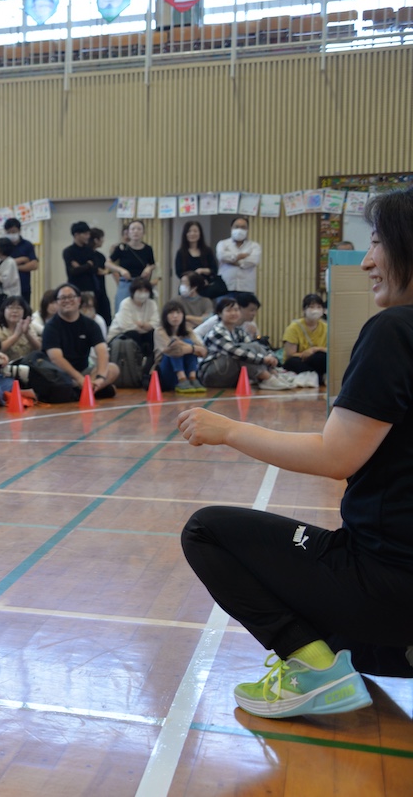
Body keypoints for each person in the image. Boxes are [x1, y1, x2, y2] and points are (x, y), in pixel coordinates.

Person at [175, 187, 413, 719]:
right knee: (341, 637)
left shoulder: (395, 331)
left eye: (377, 242)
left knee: (206, 531)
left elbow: (335, 456)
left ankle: (316, 673)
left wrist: (229, 430)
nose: (367, 261)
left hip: (386, 582)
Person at [42, 283, 119, 398]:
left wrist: (100, 378)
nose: (67, 300)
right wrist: (79, 379)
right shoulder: (51, 327)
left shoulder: (91, 324)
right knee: (57, 386)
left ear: (78, 300)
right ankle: (90, 391)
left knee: (113, 368)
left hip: (84, 373)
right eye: (62, 298)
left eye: (71, 297)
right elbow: (56, 359)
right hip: (60, 375)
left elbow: (102, 352)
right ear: (57, 302)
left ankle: (86, 390)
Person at [198, 295, 290, 390]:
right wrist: (264, 359)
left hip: (228, 372)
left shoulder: (238, 331)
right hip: (212, 374)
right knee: (240, 354)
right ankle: (267, 378)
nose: (233, 313)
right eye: (229, 311)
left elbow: (255, 346)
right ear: (220, 313)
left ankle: (272, 374)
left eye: (236, 310)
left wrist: (271, 356)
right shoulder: (217, 331)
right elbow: (235, 351)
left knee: (252, 346)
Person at [154, 300, 206, 393]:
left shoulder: (188, 330)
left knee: (186, 342)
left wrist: (187, 346)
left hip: (187, 369)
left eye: (178, 313)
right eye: (171, 313)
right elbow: (173, 351)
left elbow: (203, 352)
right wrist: (193, 348)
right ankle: (182, 379)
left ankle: (192, 378)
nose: (175, 316)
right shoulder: (160, 331)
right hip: (166, 372)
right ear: (165, 316)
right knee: (174, 346)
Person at [109, 219, 156, 312]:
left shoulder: (148, 249)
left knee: (142, 310)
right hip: (125, 283)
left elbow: (153, 264)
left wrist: (148, 268)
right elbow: (107, 263)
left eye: (139, 229)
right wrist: (121, 270)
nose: (136, 231)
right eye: (133, 229)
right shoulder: (121, 248)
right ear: (128, 232)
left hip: (141, 284)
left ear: (143, 232)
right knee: (122, 310)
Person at [107, 276, 159, 356]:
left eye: (146, 291)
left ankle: (150, 361)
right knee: (133, 334)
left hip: (142, 334)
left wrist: (141, 324)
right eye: (140, 290)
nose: (143, 294)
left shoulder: (152, 303)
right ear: (133, 291)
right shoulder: (125, 303)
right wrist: (146, 326)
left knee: (153, 334)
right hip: (120, 336)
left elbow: (156, 323)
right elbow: (126, 327)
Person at [281, 293, 327, 382]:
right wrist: (305, 354)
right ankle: (319, 377)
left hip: (317, 359)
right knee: (293, 362)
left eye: (318, 307)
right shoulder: (294, 327)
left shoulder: (326, 327)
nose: (315, 310)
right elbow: (290, 354)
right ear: (304, 310)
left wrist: (314, 349)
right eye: (312, 307)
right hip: (300, 360)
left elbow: (332, 350)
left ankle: (315, 377)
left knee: (322, 357)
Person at [0, 296, 42, 364]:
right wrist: (16, 336)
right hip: (3, 366)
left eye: (19, 308)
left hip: (28, 366)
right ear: (4, 311)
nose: (15, 311)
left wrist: (27, 334)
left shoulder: (29, 327)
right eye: (11, 308)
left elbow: (39, 349)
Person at [216, 216, 261, 293]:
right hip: (225, 287)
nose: (239, 230)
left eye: (243, 227)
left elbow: (253, 261)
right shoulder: (222, 244)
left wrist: (231, 260)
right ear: (231, 228)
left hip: (246, 288)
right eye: (236, 227)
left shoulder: (254, 246)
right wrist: (240, 256)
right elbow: (221, 257)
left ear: (247, 229)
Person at [0, 217, 39, 303]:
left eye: (14, 232)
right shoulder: (3, 246)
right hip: (6, 288)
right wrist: (23, 260)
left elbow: (34, 265)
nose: (11, 234)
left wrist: (13, 267)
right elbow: (1, 265)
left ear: (19, 230)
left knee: (24, 309)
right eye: (8, 232)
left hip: (24, 286)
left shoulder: (27, 245)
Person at [62, 222, 101, 301]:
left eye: (89, 234)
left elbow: (95, 269)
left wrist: (80, 267)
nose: (88, 236)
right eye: (86, 234)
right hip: (74, 288)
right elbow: (72, 271)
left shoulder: (90, 250)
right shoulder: (68, 251)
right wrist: (88, 265)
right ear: (76, 235)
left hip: (90, 288)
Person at [174, 220, 219, 287]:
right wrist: (194, 277)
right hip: (187, 286)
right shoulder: (181, 252)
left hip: (206, 286)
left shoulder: (207, 251)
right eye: (189, 231)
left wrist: (202, 270)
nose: (192, 234)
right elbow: (179, 272)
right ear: (185, 234)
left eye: (195, 231)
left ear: (200, 233)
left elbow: (214, 270)